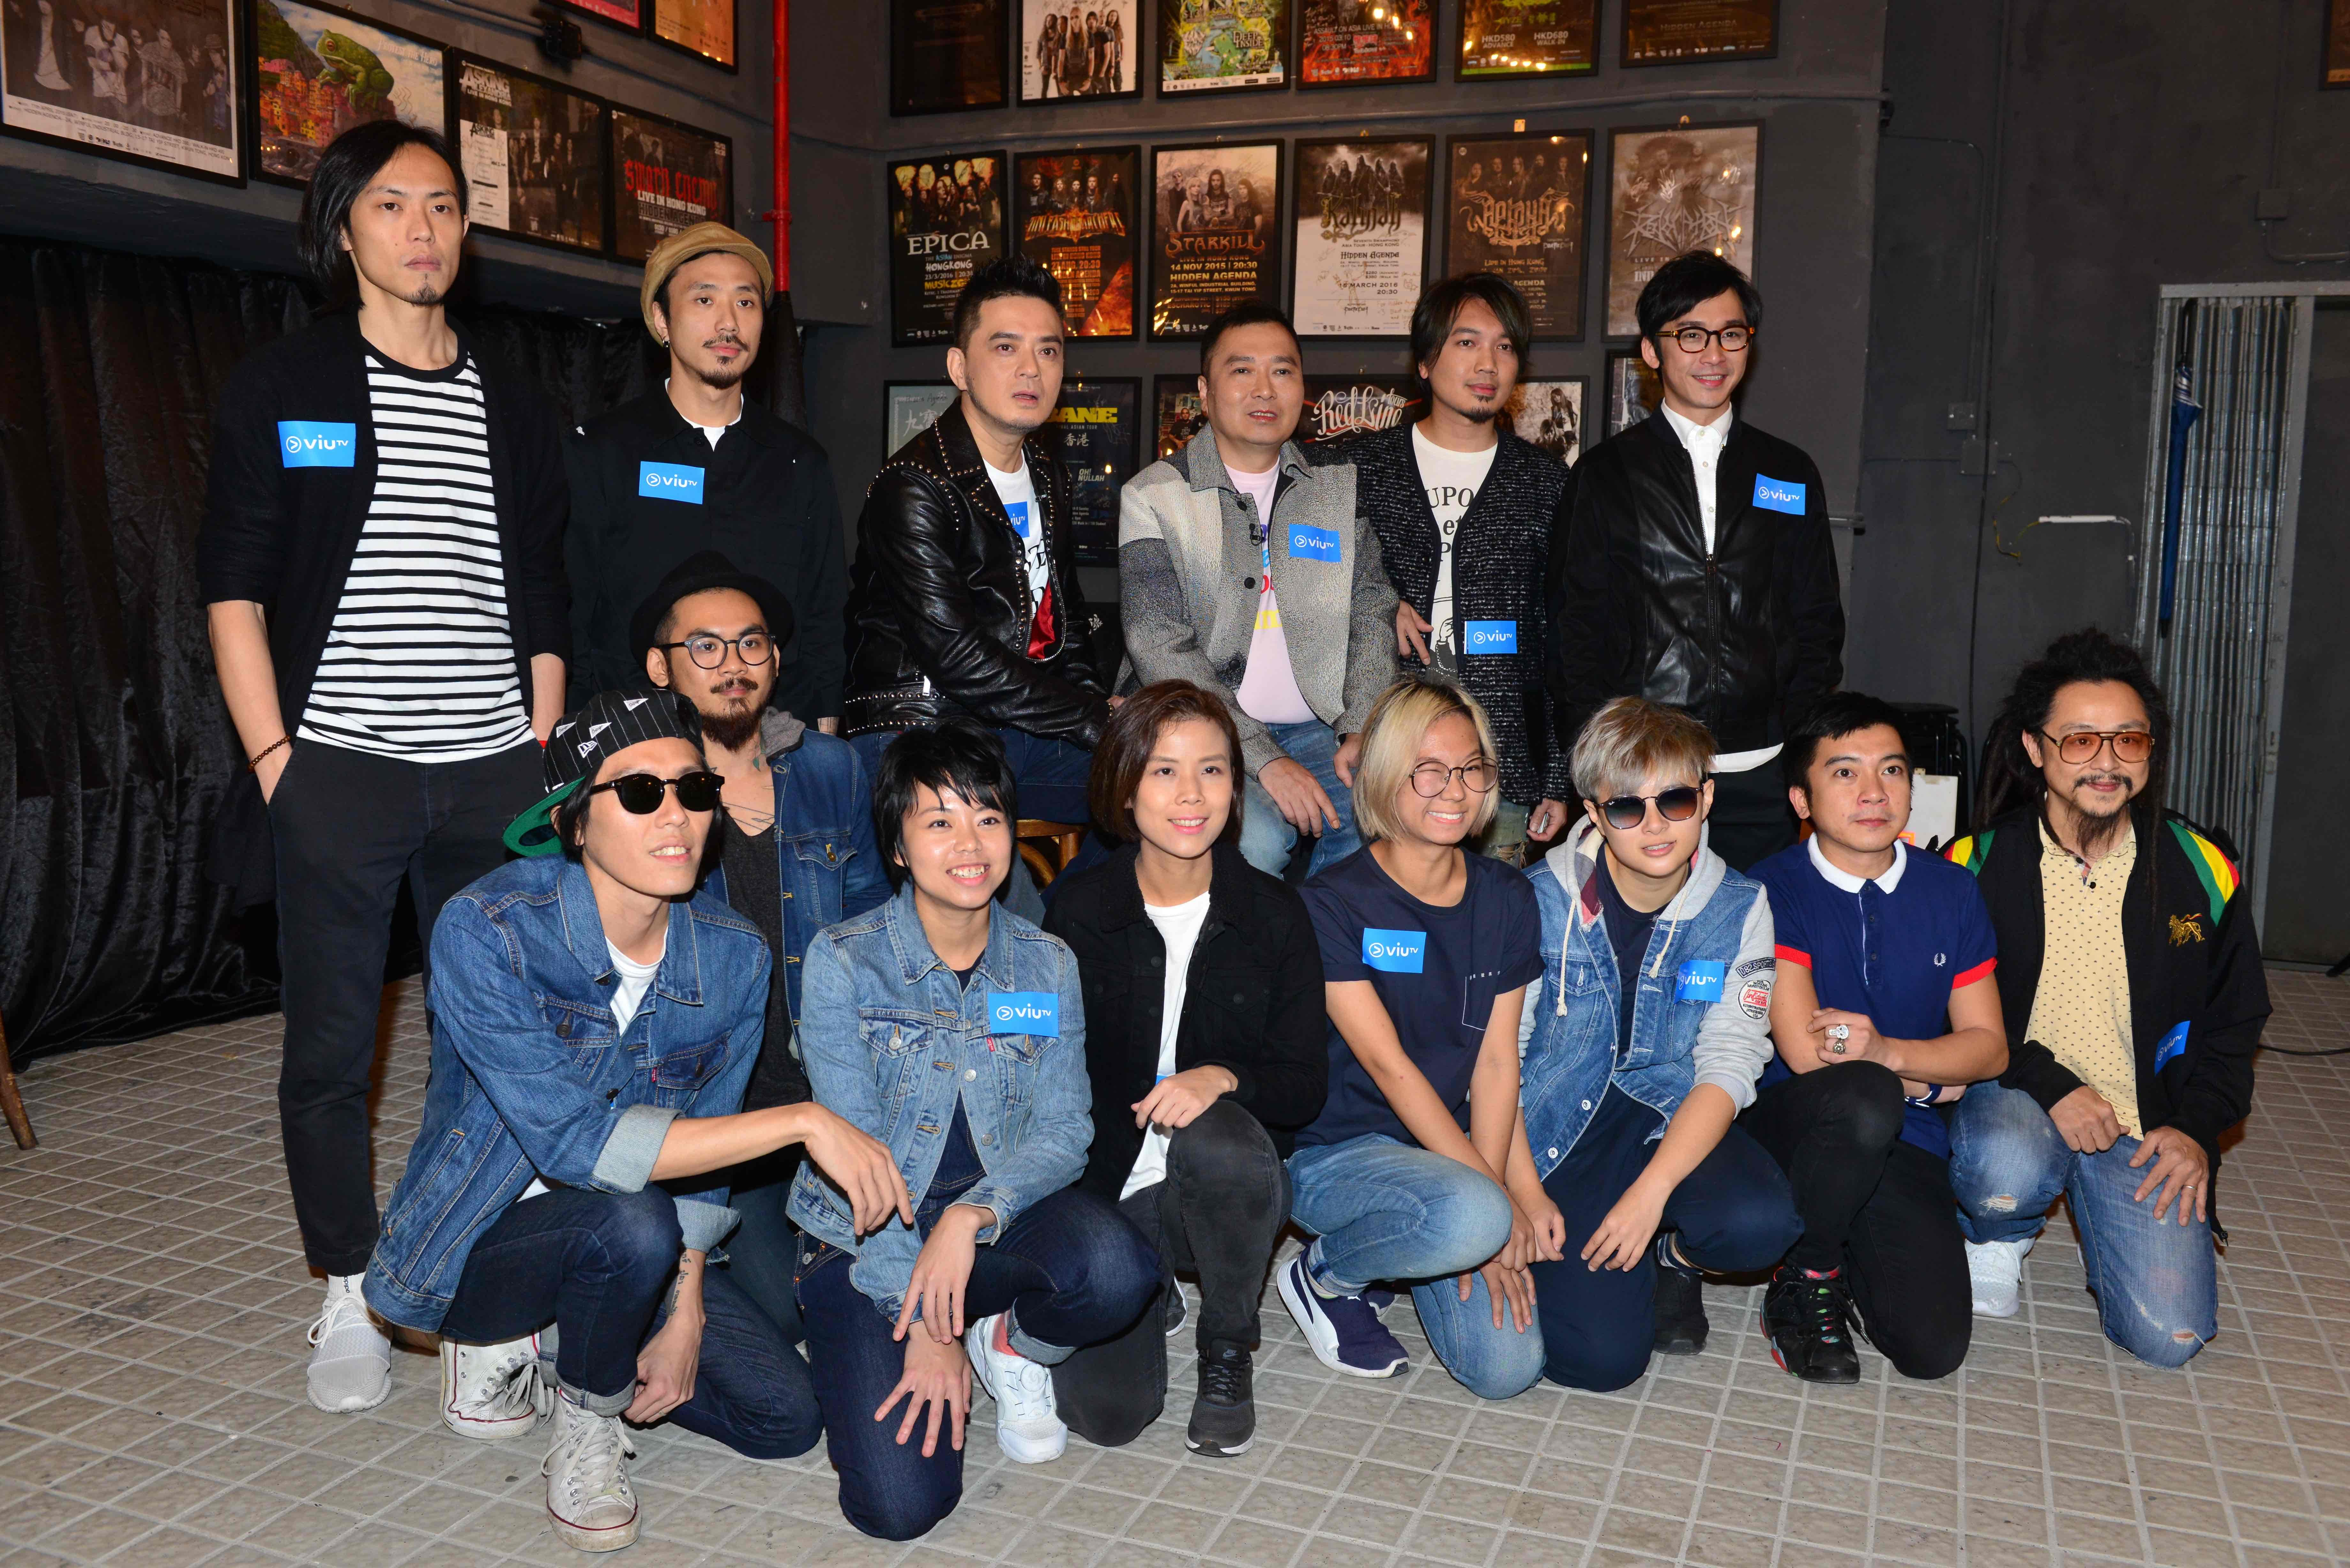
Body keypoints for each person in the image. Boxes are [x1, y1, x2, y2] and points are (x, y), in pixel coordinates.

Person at [196, 120, 568, 1415]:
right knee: (330, 1045)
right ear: (343, 228)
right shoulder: (284, 386)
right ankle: (348, 1286)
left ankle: (461, 1263)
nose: (425, 228)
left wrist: (539, 749)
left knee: (494, 1036)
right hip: (339, 770)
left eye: (446, 205)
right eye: (396, 204)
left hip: (494, 771)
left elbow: (544, 593)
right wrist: (278, 765)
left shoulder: (512, 399)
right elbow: (233, 592)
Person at [363, 691, 913, 1554]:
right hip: (476, 1245)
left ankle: (571, 1339)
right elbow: (580, 1146)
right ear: (574, 823)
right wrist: (805, 1121)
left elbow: (704, 1162)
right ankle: (584, 1412)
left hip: (640, 1239)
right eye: (640, 793)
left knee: (784, 1419)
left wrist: (686, 1308)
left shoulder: (732, 954)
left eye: (694, 790)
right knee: (628, 1216)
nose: (677, 816)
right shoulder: (489, 928)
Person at [791, 722, 1160, 1541]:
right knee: (899, 1506)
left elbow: (1065, 1128)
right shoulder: (844, 961)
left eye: (988, 817)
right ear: (897, 847)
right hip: (869, 1238)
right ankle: (929, 1326)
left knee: (1119, 1266)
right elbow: (859, 1163)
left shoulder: (1045, 962)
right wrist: (929, 1325)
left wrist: (973, 1213)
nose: (970, 843)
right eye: (939, 821)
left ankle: (1010, 1340)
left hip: (992, 1221)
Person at [1944, 629, 2265, 1367]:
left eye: (2128, 739)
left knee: (2169, 1336)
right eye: (2080, 739)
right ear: (2035, 748)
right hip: (2017, 1091)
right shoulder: (1973, 864)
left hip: (2140, 1120)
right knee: (2002, 1172)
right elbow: (1947, 1014)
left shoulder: (2202, 867)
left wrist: (2193, 1130)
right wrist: (2051, 1084)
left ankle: (2092, 1182)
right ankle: (1998, 1232)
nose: (2107, 761)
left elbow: (2234, 1021)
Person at [1042, 682, 1328, 1458]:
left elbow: (1304, 1084)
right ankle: (1146, 1276)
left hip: (1227, 1181)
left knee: (1219, 1134)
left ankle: (1227, 1346)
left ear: (1235, 786)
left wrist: (1222, 1077)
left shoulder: (1273, 913)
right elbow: (1045, 1075)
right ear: (1123, 787)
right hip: (1110, 1179)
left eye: (1212, 769)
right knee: (1108, 1415)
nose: (1191, 794)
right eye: (1163, 771)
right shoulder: (1079, 910)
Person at [627, 552, 891, 1334]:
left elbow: (874, 926)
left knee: (844, 1297)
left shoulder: (831, 767)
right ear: (660, 667)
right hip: (713, 1110)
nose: (732, 664)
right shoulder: (638, 789)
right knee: (781, 1315)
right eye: (704, 647)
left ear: (775, 659)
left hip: (824, 1091)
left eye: (751, 643)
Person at [1513, 698, 1799, 1390]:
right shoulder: (1535, 899)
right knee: (1601, 1363)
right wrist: (1516, 1191)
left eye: (1674, 800)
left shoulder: (1740, 906)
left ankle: (1670, 1253)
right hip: (1556, 1126)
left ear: (1706, 798)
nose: (1654, 825)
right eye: (1625, 807)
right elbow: (1498, 1062)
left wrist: (1652, 1192)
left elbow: (1730, 1059)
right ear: (1592, 811)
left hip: (1666, 1112)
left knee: (1758, 1225)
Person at [1276, 681, 1548, 1399]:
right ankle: (1324, 1273)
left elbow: (1497, 1062)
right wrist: (1494, 1208)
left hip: (1447, 1149)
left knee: (1506, 1370)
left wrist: (1497, 1190)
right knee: (1476, 1216)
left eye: (1469, 768)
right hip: (1336, 1152)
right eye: (1427, 770)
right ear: (1383, 776)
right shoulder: (1328, 904)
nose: (1453, 790)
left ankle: (1430, 1233)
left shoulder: (1508, 896)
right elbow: (1389, 1067)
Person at [1740, 692, 2007, 1383]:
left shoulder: (1952, 890)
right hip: (1790, 1126)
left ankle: (1842, 1239)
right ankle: (1806, 1276)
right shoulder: (1770, 887)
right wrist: (1930, 1078)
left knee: (1931, 1349)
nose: (1873, 792)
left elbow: (1988, 1047)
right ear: (1800, 799)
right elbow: (1808, 1053)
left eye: (1891, 771)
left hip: (1904, 1132)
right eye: (1844, 773)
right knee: (1860, 1094)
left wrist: (1892, 1056)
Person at [1547, 251, 1845, 871]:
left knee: (1751, 931)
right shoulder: (1605, 474)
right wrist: (1600, 755)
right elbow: (1576, 627)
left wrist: (1795, 736)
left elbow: (1817, 617)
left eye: (1731, 335)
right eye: (1691, 335)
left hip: (1762, 770)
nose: (1714, 354)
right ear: (1652, 351)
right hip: (1643, 775)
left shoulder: (1788, 470)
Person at [841, 254, 1112, 914]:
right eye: (1006, 347)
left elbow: (1067, 618)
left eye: (1048, 350)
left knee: (1154, 782)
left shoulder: (1048, 474)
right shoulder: (914, 486)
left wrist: (1102, 720)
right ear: (959, 367)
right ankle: (1033, 933)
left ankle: (1065, 933)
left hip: (1014, 723)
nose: (1031, 369)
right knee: (991, 897)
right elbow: (956, 655)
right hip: (920, 726)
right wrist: (1090, 718)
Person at [1122, 301, 1396, 878]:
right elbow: (1157, 644)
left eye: (1283, 370)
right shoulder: (1153, 495)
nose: (1265, 389)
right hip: (1198, 735)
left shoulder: (1337, 489)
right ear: (1205, 391)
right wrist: (1262, 757)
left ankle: (1317, 939)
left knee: (1380, 815)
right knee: (1261, 844)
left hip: (1320, 729)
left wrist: (1361, 725)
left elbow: (1372, 608)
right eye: (1242, 370)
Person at [1327, 272, 1573, 865]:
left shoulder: (1547, 484)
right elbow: (1292, 570)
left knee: (1491, 918)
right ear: (1425, 361)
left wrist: (1558, 777)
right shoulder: (1358, 468)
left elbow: (1565, 637)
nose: (1488, 363)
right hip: (1383, 750)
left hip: (1502, 762)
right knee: (1374, 915)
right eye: (1467, 342)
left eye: (1505, 346)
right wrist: (1377, 599)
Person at [563, 222, 847, 727]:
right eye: (704, 300)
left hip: (776, 740)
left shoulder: (800, 461)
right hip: (638, 738)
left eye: (746, 302)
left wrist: (825, 732)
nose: (729, 323)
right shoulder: (602, 452)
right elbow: (572, 611)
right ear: (662, 320)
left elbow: (825, 616)